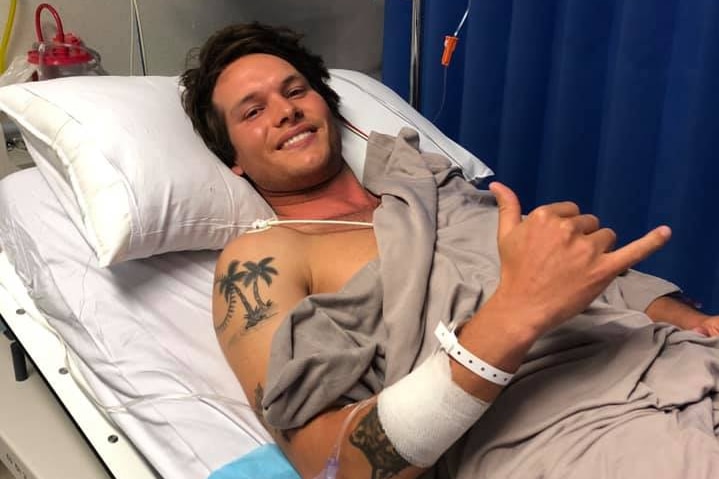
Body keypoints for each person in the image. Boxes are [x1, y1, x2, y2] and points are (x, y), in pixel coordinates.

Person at [181, 23, 719, 479]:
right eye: (252, 112)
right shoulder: (264, 258)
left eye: (295, 91)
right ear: (234, 160)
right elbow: (329, 462)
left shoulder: (429, 184)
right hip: (562, 428)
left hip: (666, 357)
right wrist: (512, 317)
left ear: (327, 105)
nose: (284, 112)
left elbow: (573, 279)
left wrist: (694, 323)